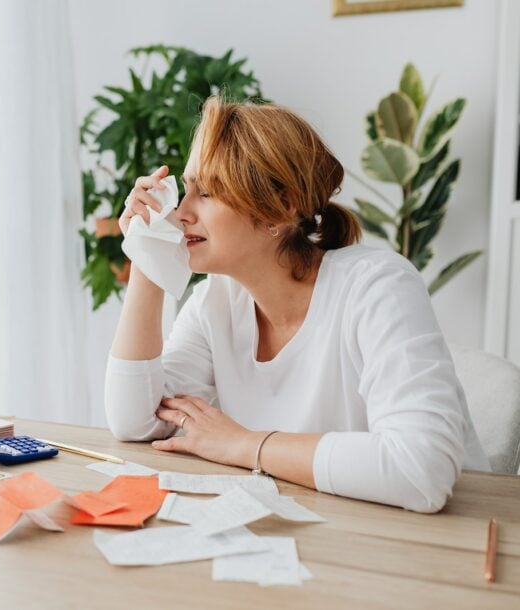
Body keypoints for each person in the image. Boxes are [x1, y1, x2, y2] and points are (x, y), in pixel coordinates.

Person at [105, 96, 489, 513]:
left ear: (282, 208)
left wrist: (244, 444)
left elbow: (422, 471)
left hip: (450, 545)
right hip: (330, 531)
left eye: (208, 193)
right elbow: (138, 422)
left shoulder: (378, 286)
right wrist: (145, 254)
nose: (180, 213)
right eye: (187, 190)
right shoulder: (214, 302)